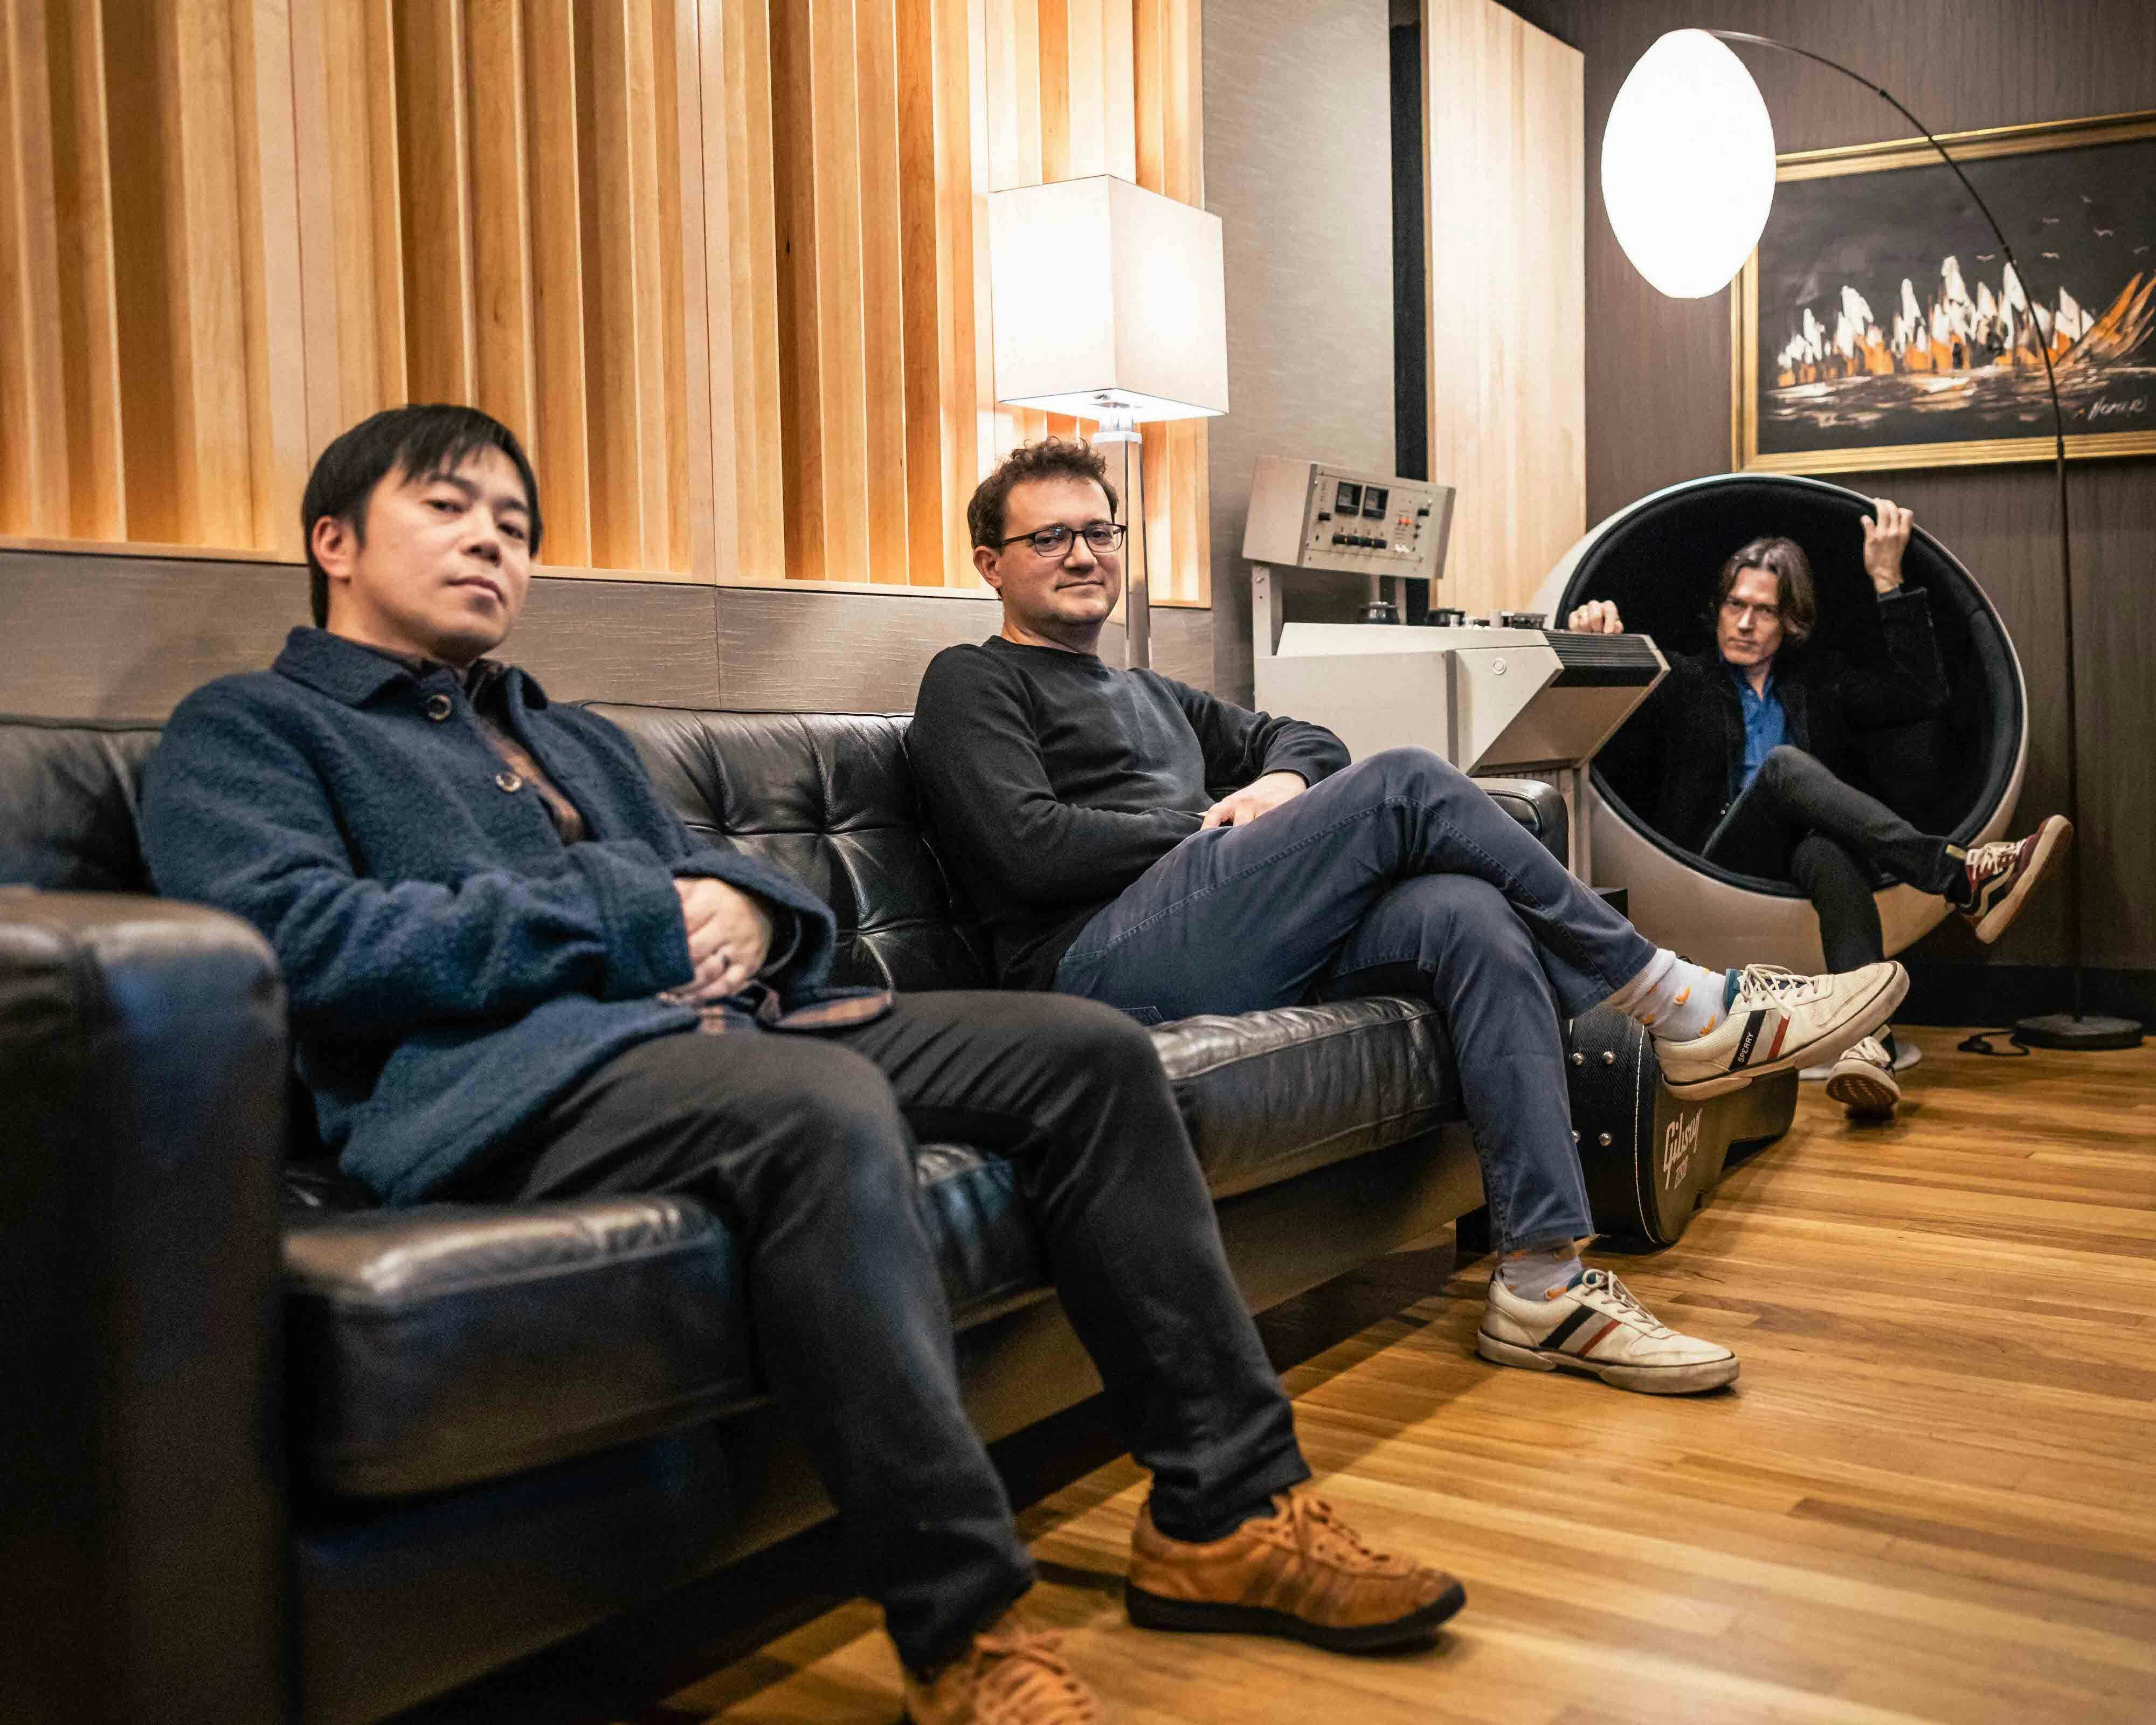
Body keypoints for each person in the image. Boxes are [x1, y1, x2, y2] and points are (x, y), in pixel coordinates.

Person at [141, 405, 1469, 1725]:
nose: (494, 541)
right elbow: (300, 943)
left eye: (516, 524)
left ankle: (1225, 1513)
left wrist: (759, 914)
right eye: (450, 508)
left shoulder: (566, 734)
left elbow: (732, 885)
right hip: (509, 1082)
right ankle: (964, 1624)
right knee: (819, 1110)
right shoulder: (250, 730)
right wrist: (630, 915)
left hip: (740, 1029)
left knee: (1090, 1053)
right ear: (333, 541)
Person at [910, 438, 1908, 1400]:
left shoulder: (1147, 691)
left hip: (1207, 935)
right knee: (1409, 782)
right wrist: (1206, 827)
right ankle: (1680, 1003)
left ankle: (1542, 1286)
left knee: (1466, 913)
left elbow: (1306, 738)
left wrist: (1280, 783)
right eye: (1050, 538)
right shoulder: (971, 679)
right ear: (992, 564)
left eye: (1100, 531)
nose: (1084, 554)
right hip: (1091, 967)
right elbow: (1028, 846)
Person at [1568, 503, 2069, 1119]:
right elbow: (1608, 728)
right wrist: (1595, 641)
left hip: (1800, 857)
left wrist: (1888, 582)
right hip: (1710, 863)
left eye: (1764, 610)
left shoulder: (1820, 682)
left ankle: (1868, 1045)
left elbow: (1920, 695)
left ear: (1791, 621)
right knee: (1784, 767)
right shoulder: (1684, 680)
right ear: (1718, 608)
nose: (1745, 623)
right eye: (1735, 605)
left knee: (1829, 853)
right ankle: (1958, 875)